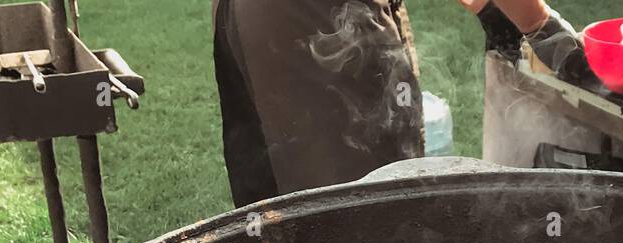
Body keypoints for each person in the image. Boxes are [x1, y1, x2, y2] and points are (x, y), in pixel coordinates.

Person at [213, 0, 597, 207]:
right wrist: (541, 26)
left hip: (247, 15)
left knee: (277, 221)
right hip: (323, 20)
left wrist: (487, 8)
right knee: (368, 215)